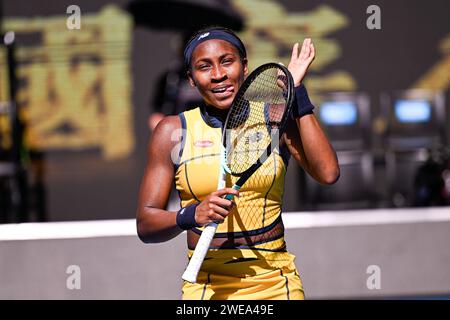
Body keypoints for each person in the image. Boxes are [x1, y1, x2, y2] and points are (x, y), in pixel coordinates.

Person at [136, 26, 340, 300]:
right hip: (205, 285)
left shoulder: (274, 119)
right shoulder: (172, 131)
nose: (218, 74)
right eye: (204, 66)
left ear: (245, 67)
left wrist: (297, 93)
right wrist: (192, 214)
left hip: (275, 282)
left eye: (227, 61)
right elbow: (146, 225)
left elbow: (328, 173)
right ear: (192, 79)